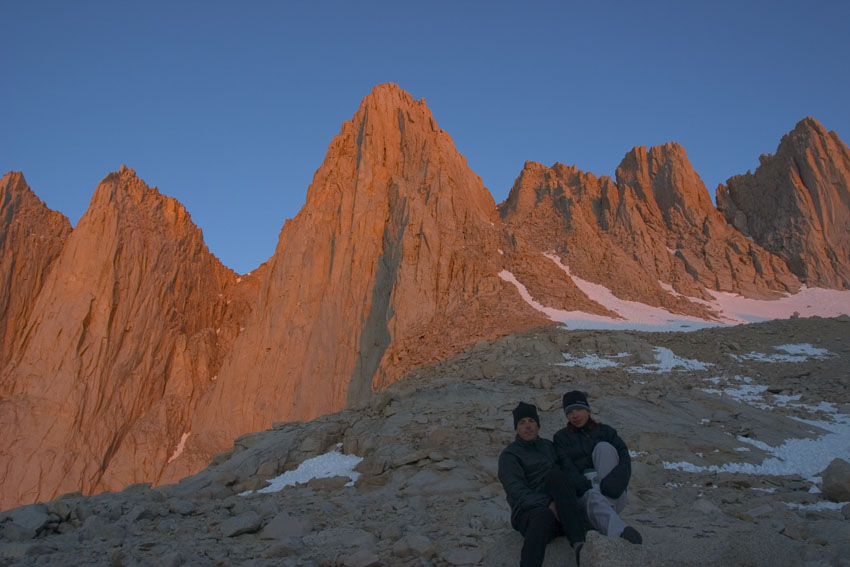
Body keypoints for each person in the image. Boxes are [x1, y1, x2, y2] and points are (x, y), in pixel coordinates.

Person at [498, 401, 586, 567]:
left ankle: (578, 544)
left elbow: (569, 472)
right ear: (516, 428)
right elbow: (516, 491)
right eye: (522, 423)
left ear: (538, 425)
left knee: (556, 474)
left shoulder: (549, 446)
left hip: (562, 511)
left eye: (531, 421)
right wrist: (547, 505)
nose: (528, 426)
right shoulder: (510, 455)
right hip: (528, 514)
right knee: (543, 516)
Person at [553, 390, 642, 545]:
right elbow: (566, 466)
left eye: (579, 409)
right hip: (585, 495)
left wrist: (613, 485)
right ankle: (620, 533)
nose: (575, 415)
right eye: (570, 412)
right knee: (594, 496)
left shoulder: (606, 431)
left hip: (612, 492)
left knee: (604, 448)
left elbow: (624, 458)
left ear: (587, 410)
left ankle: (604, 514)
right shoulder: (561, 438)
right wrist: (585, 487)